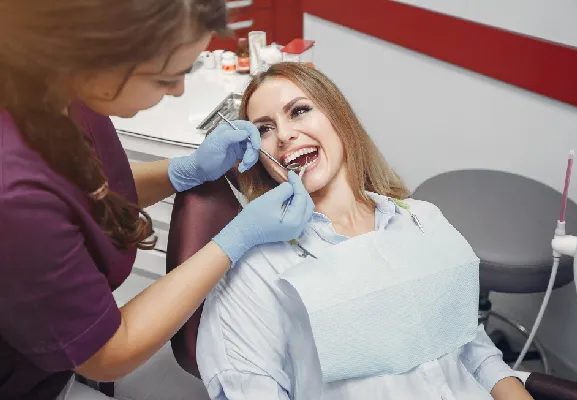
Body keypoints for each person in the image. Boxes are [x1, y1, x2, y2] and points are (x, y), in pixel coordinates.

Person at [0, 2, 313, 399]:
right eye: (167, 78)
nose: (179, 90)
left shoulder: (61, 89)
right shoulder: (13, 195)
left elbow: (79, 187)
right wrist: (238, 238)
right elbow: (106, 353)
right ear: (96, 61)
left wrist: (185, 170)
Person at [195, 62, 535, 400]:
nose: (284, 136)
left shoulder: (421, 220)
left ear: (338, 117)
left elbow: (473, 352)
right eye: (265, 129)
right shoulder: (256, 270)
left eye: (299, 111)